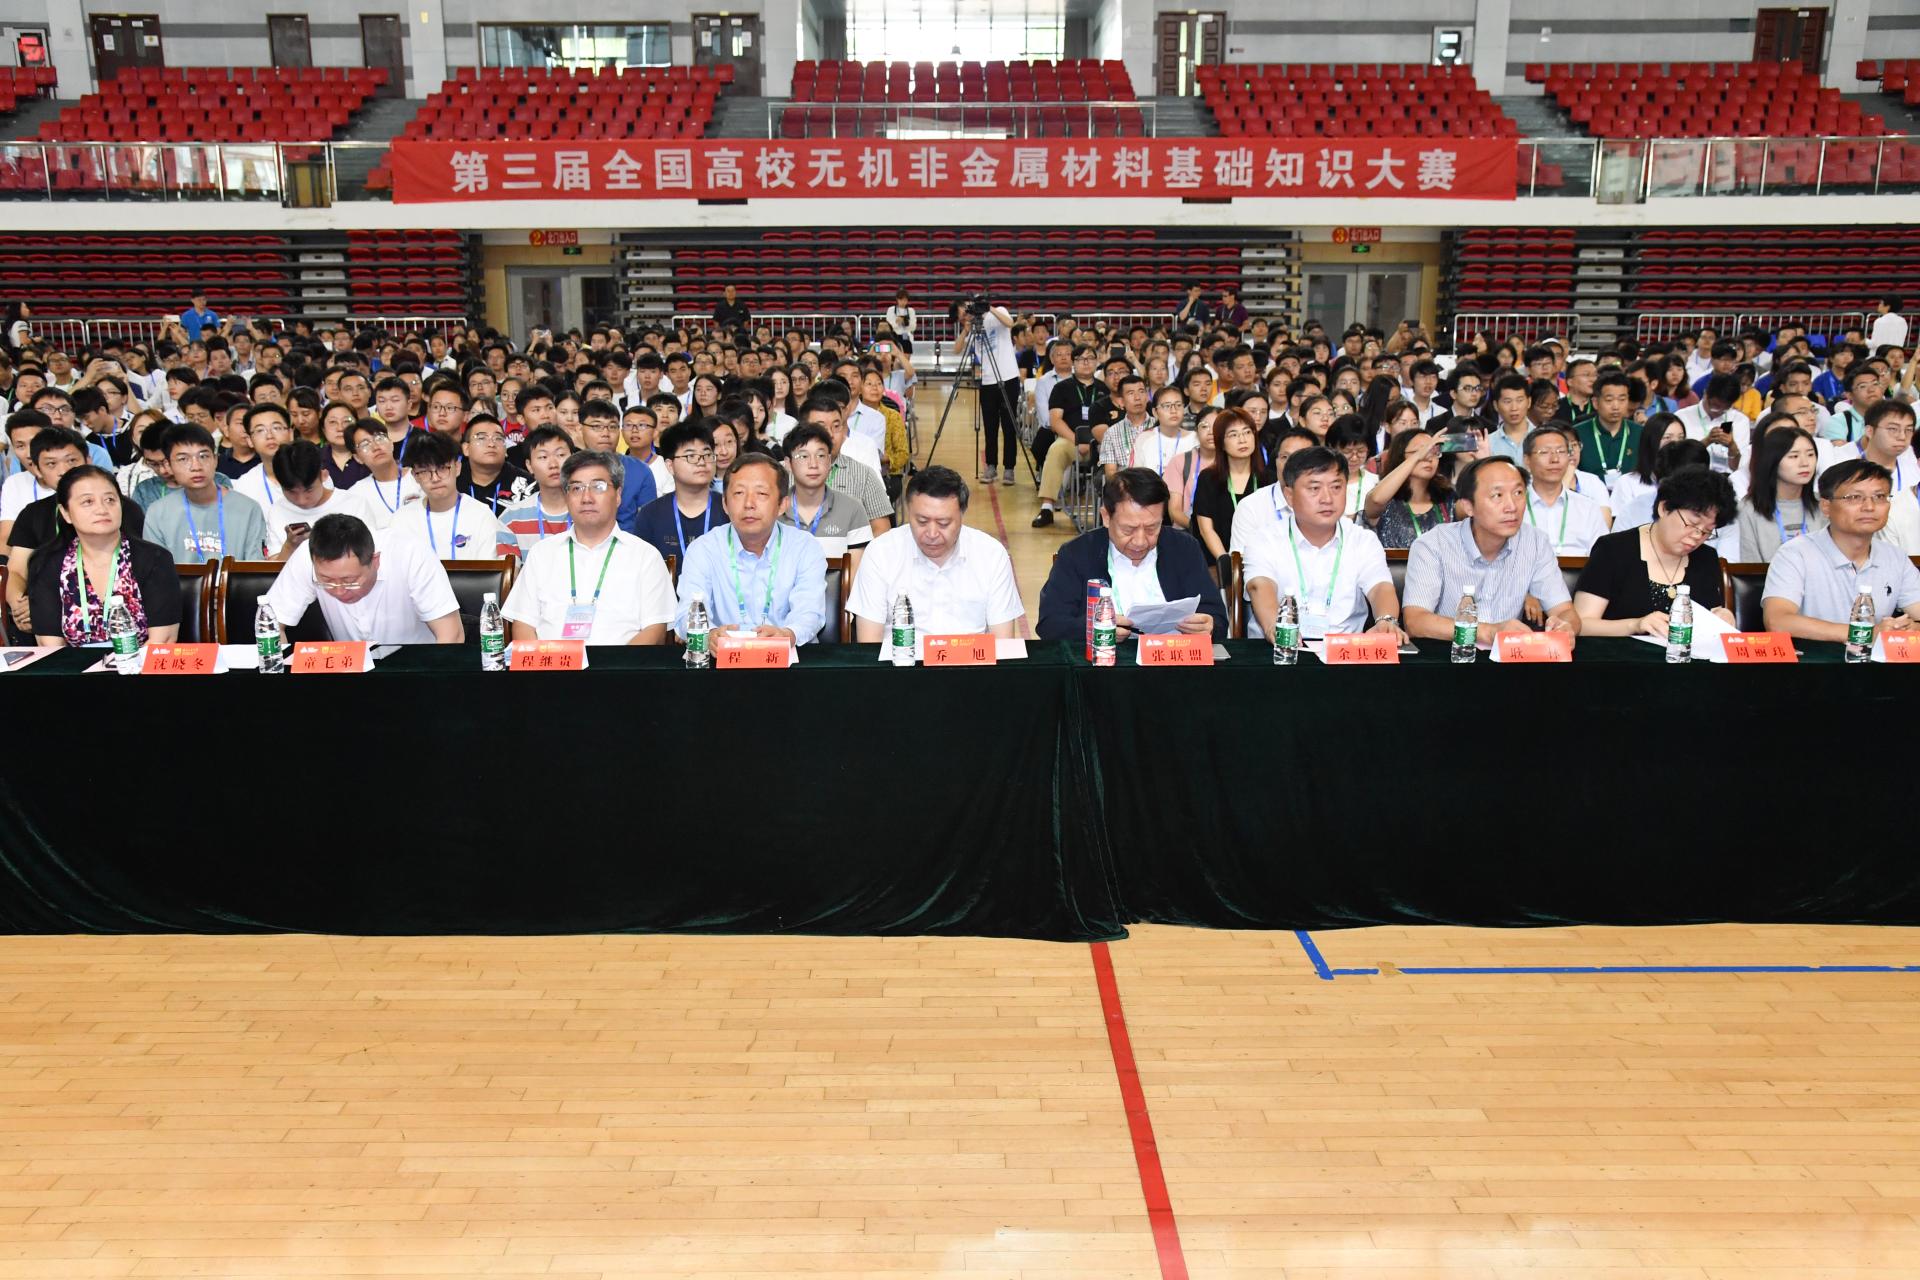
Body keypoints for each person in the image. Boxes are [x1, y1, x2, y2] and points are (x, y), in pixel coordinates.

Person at [500, 449, 677, 645]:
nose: (586, 498)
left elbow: (655, 630)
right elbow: (523, 624)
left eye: (598, 486)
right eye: (576, 488)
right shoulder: (541, 553)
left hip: (621, 663)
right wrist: (544, 663)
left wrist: (616, 664)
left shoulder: (645, 556)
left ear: (618, 495)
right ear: (566, 496)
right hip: (551, 662)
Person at [1402, 456, 1580, 645]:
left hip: (1509, 658)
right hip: (1450, 656)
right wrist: (1488, 632)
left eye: (1518, 492)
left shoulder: (1535, 542)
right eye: (1497, 496)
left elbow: (1564, 610)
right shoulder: (1433, 544)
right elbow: (1416, 621)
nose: (1512, 506)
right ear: (1468, 506)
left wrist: (1566, 626)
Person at [1034, 467, 1225, 641]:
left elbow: (1216, 616)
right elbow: (1050, 624)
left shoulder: (1184, 548)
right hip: (1105, 664)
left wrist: (1209, 625)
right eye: (1128, 529)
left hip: (1172, 661)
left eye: (1152, 528)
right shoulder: (1077, 554)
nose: (1140, 541)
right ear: (1106, 517)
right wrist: (1093, 628)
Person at [1237, 446, 1404, 643]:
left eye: (1336, 487)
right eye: (1314, 488)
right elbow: (1260, 586)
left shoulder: (1362, 540)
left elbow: (1380, 587)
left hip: (1343, 650)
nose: (1327, 499)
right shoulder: (1264, 540)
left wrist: (1386, 620)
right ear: (1289, 495)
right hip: (1279, 651)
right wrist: (1276, 626)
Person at [848, 465, 1025, 643]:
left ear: (962, 515)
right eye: (922, 521)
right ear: (909, 511)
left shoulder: (991, 555)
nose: (932, 534)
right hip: (901, 659)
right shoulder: (881, 553)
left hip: (970, 659)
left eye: (943, 523)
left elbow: (1003, 644)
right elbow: (869, 644)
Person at [673, 454, 828, 644]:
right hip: (722, 657)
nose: (749, 504)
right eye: (739, 493)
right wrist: (709, 636)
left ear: (782, 505)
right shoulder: (703, 549)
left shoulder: (805, 548)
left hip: (789, 657)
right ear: (725, 504)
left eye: (761, 494)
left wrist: (788, 634)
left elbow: (810, 612)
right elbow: (686, 613)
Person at [1763, 459, 1920, 641]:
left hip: (1874, 659)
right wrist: (1864, 634)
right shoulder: (1795, 554)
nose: (1869, 507)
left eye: (1879, 497)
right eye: (1854, 497)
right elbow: (1777, 622)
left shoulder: (1895, 557)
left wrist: (1911, 628)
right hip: (1813, 658)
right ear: (1826, 506)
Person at [27, 465, 181, 650]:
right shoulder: (46, 564)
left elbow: (162, 641)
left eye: (110, 500)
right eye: (88, 502)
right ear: (66, 513)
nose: (102, 509)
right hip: (72, 667)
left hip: (140, 665)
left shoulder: (154, 559)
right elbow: (50, 645)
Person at [1573, 467, 1738, 637]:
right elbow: (1581, 624)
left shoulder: (1706, 557)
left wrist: (1720, 616)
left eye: (1707, 531)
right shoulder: (1613, 550)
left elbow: (1709, 614)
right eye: (1692, 524)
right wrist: (1635, 625)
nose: (1697, 536)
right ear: (1664, 508)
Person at [263, 513, 463, 645]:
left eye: (349, 580)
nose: (339, 591)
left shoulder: (411, 553)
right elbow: (270, 623)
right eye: (326, 581)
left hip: (417, 667)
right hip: (347, 673)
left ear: (375, 561)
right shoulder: (306, 556)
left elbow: (451, 635)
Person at [143, 424, 269, 565]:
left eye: (203, 456)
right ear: (168, 465)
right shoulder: (158, 513)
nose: (196, 466)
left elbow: (255, 569)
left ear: (215, 460)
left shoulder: (248, 509)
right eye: (183, 459)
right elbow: (156, 570)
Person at [392, 431, 514, 561]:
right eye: (424, 471)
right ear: (415, 476)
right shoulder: (402, 520)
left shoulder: (481, 515)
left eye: (442, 468)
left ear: (458, 467)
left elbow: (488, 570)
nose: (435, 478)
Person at [1033, 346, 1117, 527]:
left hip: (1102, 444)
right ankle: (1047, 507)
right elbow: (1055, 420)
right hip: (1071, 440)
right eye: (1080, 359)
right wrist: (1078, 441)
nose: (1086, 362)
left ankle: (1113, 510)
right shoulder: (1061, 388)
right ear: (1074, 362)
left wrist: (1095, 441)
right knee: (1056, 450)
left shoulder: (1104, 388)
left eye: (1090, 358)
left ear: (1097, 361)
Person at [634, 420, 729, 565]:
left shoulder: (730, 509)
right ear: (670, 466)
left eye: (707, 455)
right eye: (691, 456)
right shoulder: (650, 514)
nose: (702, 462)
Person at [951, 302, 1021, 486]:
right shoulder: (973, 329)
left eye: (966, 313)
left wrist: (988, 308)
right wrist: (966, 330)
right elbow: (956, 349)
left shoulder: (996, 313)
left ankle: (1009, 468)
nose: (966, 317)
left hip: (1008, 377)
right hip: (987, 381)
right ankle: (991, 466)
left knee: (1009, 426)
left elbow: (1010, 323)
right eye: (962, 318)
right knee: (990, 427)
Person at [779, 422, 873, 558]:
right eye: (803, 456)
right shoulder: (774, 510)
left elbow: (856, 569)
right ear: (788, 464)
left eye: (820, 456)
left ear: (829, 461)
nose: (813, 464)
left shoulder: (853, 509)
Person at [1736, 425, 1825, 564]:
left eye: (1810, 454)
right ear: (1772, 461)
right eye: (1794, 456)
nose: (1805, 463)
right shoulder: (1749, 509)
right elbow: (1749, 566)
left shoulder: (1824, 504)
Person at [1520, 423, 1610, 554]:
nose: (1555, 459)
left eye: (1561, 451)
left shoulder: (1588, 508)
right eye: (1544, 452)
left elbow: (1603, 555)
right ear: (1527, 460)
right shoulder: (1514, 506)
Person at [1363, 424, 1455, 549]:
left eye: (1434, 452)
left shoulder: (1448, 498)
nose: (1429, 458)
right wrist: (1417, 457)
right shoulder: (1386, 500)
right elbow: (1376, 499)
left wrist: (1481, 458)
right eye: (1421, 451)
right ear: (1400, 457)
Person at [263, 440, 356, 560]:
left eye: (309, 490)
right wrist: (289, 546)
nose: (301, 500)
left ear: (324, 475)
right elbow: (273, 568)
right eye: (292, 492)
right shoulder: (277, 511)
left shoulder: (353, 505)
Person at [577, 397, 656, 534]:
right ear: (580, 429)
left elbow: (649, 523)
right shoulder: (570, 469)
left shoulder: (640, 470)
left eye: (612, 427)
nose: (606, 433)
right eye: (597, 426)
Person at [1192, 407, 1262, 561]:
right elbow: (1206, 529)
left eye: (1247, 432)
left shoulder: (1268, 479)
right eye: (1233, 434)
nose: (1242, 439)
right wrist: (1226, 562)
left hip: (1262, 561)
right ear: (1221, 443)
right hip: (1220, 561)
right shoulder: (1208, 478)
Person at [496, 426, 577, 553]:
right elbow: (509, 566)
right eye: (543, 457)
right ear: (529, 466)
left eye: (561, 455)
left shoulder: (590, 510)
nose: (553, 464)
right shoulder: (511, 519)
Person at [339, 418, 423, 531]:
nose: (375, 447)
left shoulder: (421, 477)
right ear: (357, 458)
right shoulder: (356, 494)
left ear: (391, 443)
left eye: (379, 438)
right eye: (365, 444)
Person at [1607, 413, 1688, 530]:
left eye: (1681, 438)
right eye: (1667, 438)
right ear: (1651, 442)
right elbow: (1619, 530)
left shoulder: (1690, 482)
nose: (1676, 444)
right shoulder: (1627, 483)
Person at [457, 413, 530, 515]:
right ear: (466, 448)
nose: (491, 444)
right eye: (482, 438)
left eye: (498, 438)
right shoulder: (454, 481)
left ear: (506, 449)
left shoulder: (525, 483)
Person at [1577, 370, 1639, 485]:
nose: (1616, 406)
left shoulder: (1641, 433)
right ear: (1595, 402)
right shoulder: (1577, 433)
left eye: (1622, 399)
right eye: (1609, 400)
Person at [229, 403, 291, 512]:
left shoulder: (314, 474)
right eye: (260, 430)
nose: (269, 436)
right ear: (249, 440)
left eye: (276, 428)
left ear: (290, 434)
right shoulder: (244, 487)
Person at [1484, 373, 1535, 462]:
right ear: (1496, 405)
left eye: (1519, 400)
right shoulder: (1488, 443)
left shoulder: (1543, 438)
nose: (1514, 408)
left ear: (1529, 402)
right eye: (1507, 401)